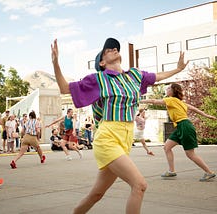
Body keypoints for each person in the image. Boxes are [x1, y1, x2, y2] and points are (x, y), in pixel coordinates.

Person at [51, 37, 188, 213]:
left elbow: (157, 77)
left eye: (115, 48)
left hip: (125, 139)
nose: (114, 49)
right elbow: (65, 88)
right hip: (107, 137)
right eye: (108, 50)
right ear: (101, 62)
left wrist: (178, 69)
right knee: (139, 185)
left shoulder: (135, 75)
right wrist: (56, 63)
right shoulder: (98, 79)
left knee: (97, 194)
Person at [141, 83, 217, 182]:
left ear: (173, 91)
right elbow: (194, 109)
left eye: (168, 88)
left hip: (184, 126)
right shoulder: (181, 102)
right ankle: (171, 171)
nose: (166, 89)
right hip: (180, 126)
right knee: (167, 147)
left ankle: (209, 172)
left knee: (190, 154)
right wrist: (207, 116)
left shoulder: (171, 99)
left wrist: (139, 100)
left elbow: (153, 101)